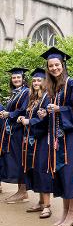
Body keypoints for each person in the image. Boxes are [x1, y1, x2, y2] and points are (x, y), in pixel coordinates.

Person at [40, 47, 73, 226]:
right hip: (59, 139)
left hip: (72, 138)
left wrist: (61, 110)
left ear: (63, 65)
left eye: (57, 64)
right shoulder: (56, 88)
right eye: (51, 66)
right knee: (61, 173)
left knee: (70, 173)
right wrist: (47, 112)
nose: (54, 68)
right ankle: (67, 212)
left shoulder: (72, 84)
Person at [18, 67, 53, 218]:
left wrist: (29, 121)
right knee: (35, 170)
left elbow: (45, 120)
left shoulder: (47, 97)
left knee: (42, 170)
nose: (36, 82)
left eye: (39, 80)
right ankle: (40, 202)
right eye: (34, 80)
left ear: (45, 82)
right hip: (32, 139)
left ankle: (47, 206)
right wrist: (22, 118)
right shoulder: (33, 98)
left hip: (43, 139)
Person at [0, 68, 30, 203]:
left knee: (20, 159)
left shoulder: (26, 92)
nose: (16, 79)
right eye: (14, 78)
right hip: (13, 130)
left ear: (23, 79)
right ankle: (21, 191)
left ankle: (23, 191)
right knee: (17, 159)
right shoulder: (15, 93)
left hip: (20, 131)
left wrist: (9, 114)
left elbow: (24, 109)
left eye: (18, 77)